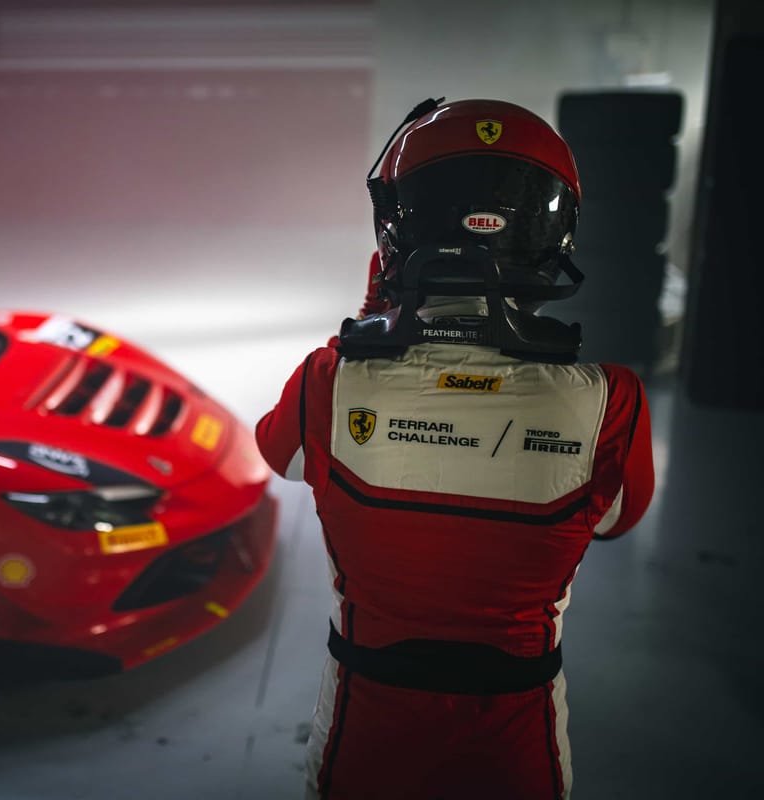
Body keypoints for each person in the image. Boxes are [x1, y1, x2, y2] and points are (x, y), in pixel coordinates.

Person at [255, 98, 655, 800]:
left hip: (363, 739)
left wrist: (374, 315)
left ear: (397, 229)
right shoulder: (613, 402)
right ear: (551, 229)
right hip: (517, 749)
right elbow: (619, 519)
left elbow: (276, 453)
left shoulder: (328, 382)